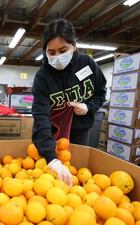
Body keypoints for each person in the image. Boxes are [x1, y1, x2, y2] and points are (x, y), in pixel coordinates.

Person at [32, 19, 106, 185]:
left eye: (63, 50)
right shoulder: (43, 77)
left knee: (77, 174)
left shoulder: (87, 63)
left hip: (81, 129)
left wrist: (88, 107)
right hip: (53, 133)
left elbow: (101, 92)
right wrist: (51, 158)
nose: (57, 57)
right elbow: (41, 115)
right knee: (51, 179)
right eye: (51, 52)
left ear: (74, 45)